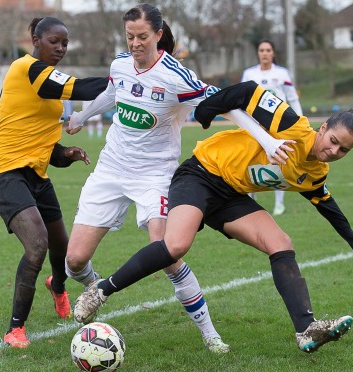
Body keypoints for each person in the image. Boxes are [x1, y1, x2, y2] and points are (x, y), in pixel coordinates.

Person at [73, 80, 353, 354]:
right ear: (323, 129)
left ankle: (306, 329)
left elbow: (328, 207)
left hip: (230, 196)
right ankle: (101, 290)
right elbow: (248, 92)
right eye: (333, 141)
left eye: (343, 150)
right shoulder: (291, 126)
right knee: (176, 246)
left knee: (280, 242)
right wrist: (207, 111)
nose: (334, 151)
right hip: (200, 173)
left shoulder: (316, 173)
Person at [65, 3, 233, 353]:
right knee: (74, 261)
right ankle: (95, 288)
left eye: (142, 37)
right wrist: (83, 115)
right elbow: (111, 93)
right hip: (110, 168)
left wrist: (265, 133)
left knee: (168, 254)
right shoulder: (120, 64)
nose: (135, 43)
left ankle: (210, 333)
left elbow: (223, 102)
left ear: (158, 35)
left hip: (155, 175)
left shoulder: (177, 76)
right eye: (130, 37)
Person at [0, 16, 108, 349]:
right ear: (35, 40)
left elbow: (49, 150)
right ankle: (15, 329)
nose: (61, 48)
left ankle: (58, 287)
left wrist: (68, 153)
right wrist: (124, 78)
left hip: (35, 173)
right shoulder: (27, 69)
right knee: (36, 245)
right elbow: (82, 88)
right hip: (3, 171)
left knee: (61, 247)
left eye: (65, 43)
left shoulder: (51, 92)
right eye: (54, 41)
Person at [240, 39, 302, 216]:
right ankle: (250, 203)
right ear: (258, 53)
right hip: (255, 126)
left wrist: (299, 120)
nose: (265, 53)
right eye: (261, 50)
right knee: (249, 163)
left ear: (273, 53)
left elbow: (293, 98)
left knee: (278, 163)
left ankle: (279, 204)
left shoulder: (282, 74)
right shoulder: (249, 74)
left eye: (268, 50)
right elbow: (241, 99)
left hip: (278, 126)